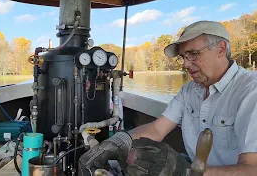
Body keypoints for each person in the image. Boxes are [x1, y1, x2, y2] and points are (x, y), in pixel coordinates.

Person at [78, 20, 257, 176]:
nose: (186, 64)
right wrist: (117, 142)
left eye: (193, 54)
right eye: (183, 57)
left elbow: (252, 169)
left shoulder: (250, 91)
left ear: (221, 49)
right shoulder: (190, 90)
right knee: (136, 157)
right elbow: (157, 129)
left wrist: (186, 172)